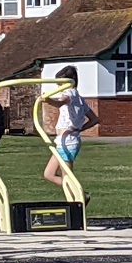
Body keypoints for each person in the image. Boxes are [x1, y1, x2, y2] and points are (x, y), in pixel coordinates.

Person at [41, 65, 97, 197]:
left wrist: (48, 100)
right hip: (63, 141)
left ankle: (78, 200)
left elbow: (61, 102)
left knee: (67, 179)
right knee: (49, 174)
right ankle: (81, 194)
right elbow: (94, 119)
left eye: (60, 83)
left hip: (68, 143)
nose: (58, 87)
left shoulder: (69, 93)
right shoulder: (80, 99)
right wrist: (79, 129)